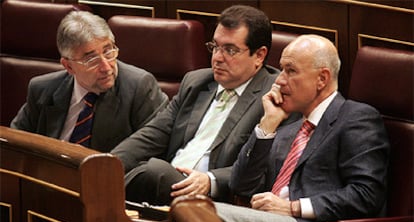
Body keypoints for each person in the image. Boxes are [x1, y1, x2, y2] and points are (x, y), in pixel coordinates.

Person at [214, 34, 390, 222]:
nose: (279, 81)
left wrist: (294, 208)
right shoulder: (288, 129)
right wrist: (266, 126)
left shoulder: (356, 118)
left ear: (322, 78)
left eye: (290, 71)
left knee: (203, 217)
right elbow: (241, 185)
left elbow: (366, 195)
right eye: (281, 70)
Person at [112, 5, 295, 205]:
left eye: (230, 50)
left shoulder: (276, 96)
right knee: (132, 175)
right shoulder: (196, 82)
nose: (217, 58)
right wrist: (106, 164)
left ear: (259, 55)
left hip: (214, 201)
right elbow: (151, 135)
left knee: (154, 172)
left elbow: (266, 167)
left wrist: (211, 180)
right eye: (215, 46)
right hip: (167, 185)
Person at [11, 11, 168, 152]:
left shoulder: (139, 87)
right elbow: (13, 144)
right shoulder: (43, 89)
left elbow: (156, 148)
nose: (106, 67)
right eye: (91, 59)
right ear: (69, 66)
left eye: (108, 51)